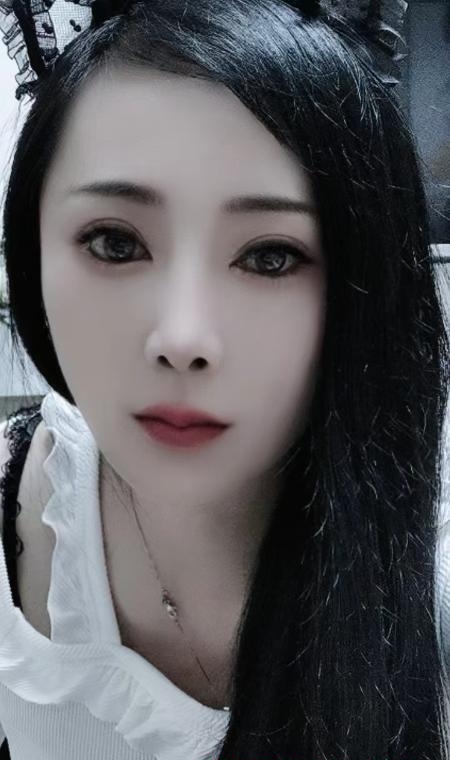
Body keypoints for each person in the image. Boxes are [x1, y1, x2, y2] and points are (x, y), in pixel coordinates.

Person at [0, 0, 449, 758]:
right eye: (115, 243)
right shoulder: (18, 513)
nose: (182, 339)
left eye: (270, 256)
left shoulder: (430, 564)